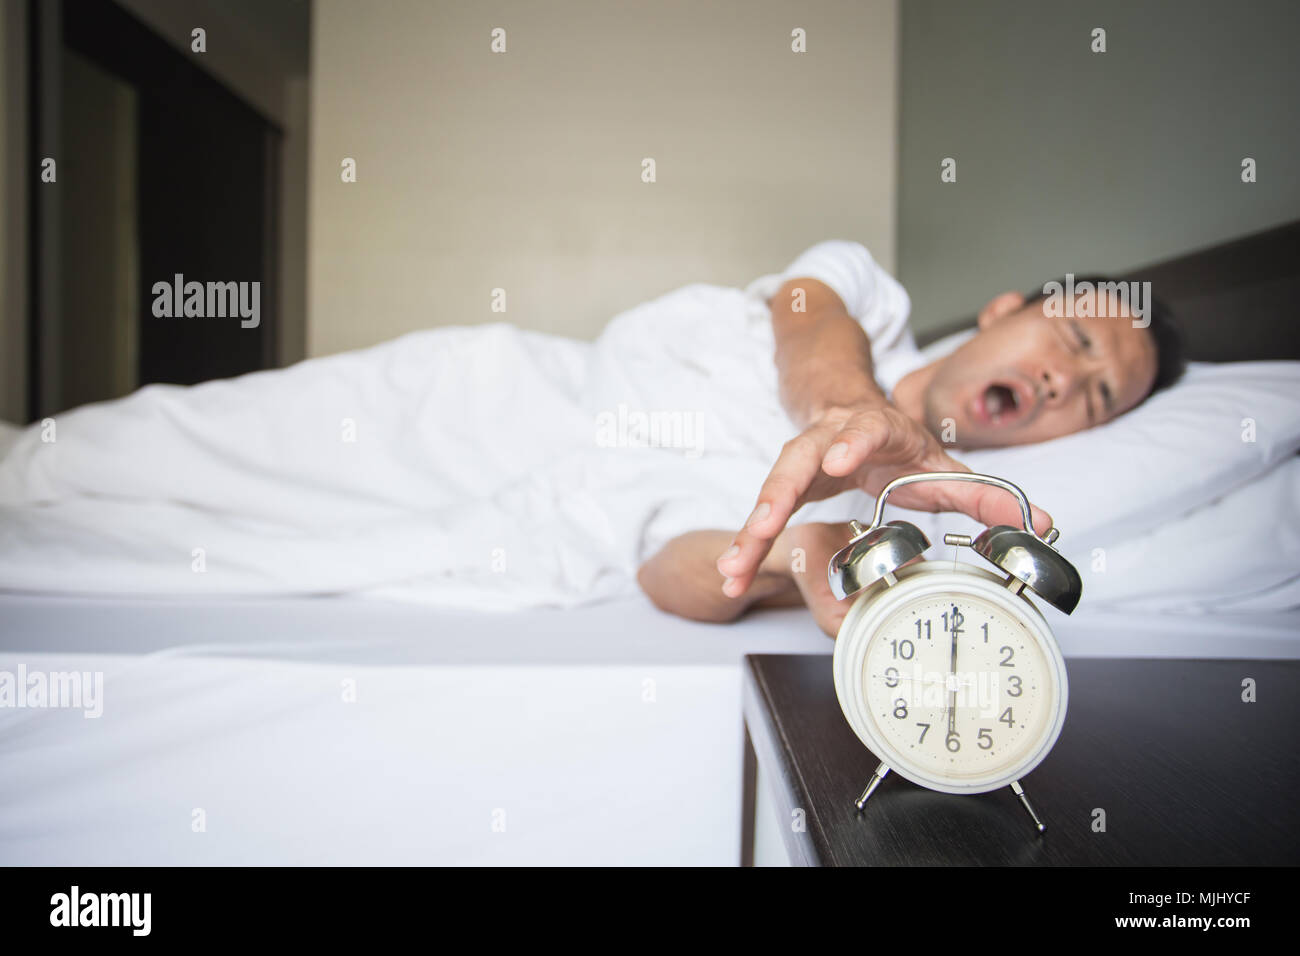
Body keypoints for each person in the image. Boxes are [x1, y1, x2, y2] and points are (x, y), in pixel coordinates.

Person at [637, 241, 1185, 636]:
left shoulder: (926, 529)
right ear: (1002, 311)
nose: (1062, 381)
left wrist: (794, 554)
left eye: (1097, 398)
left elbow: (659, 571)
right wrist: (854, 417)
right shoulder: (870, 302)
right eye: (1074, 338)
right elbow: (806, 316)